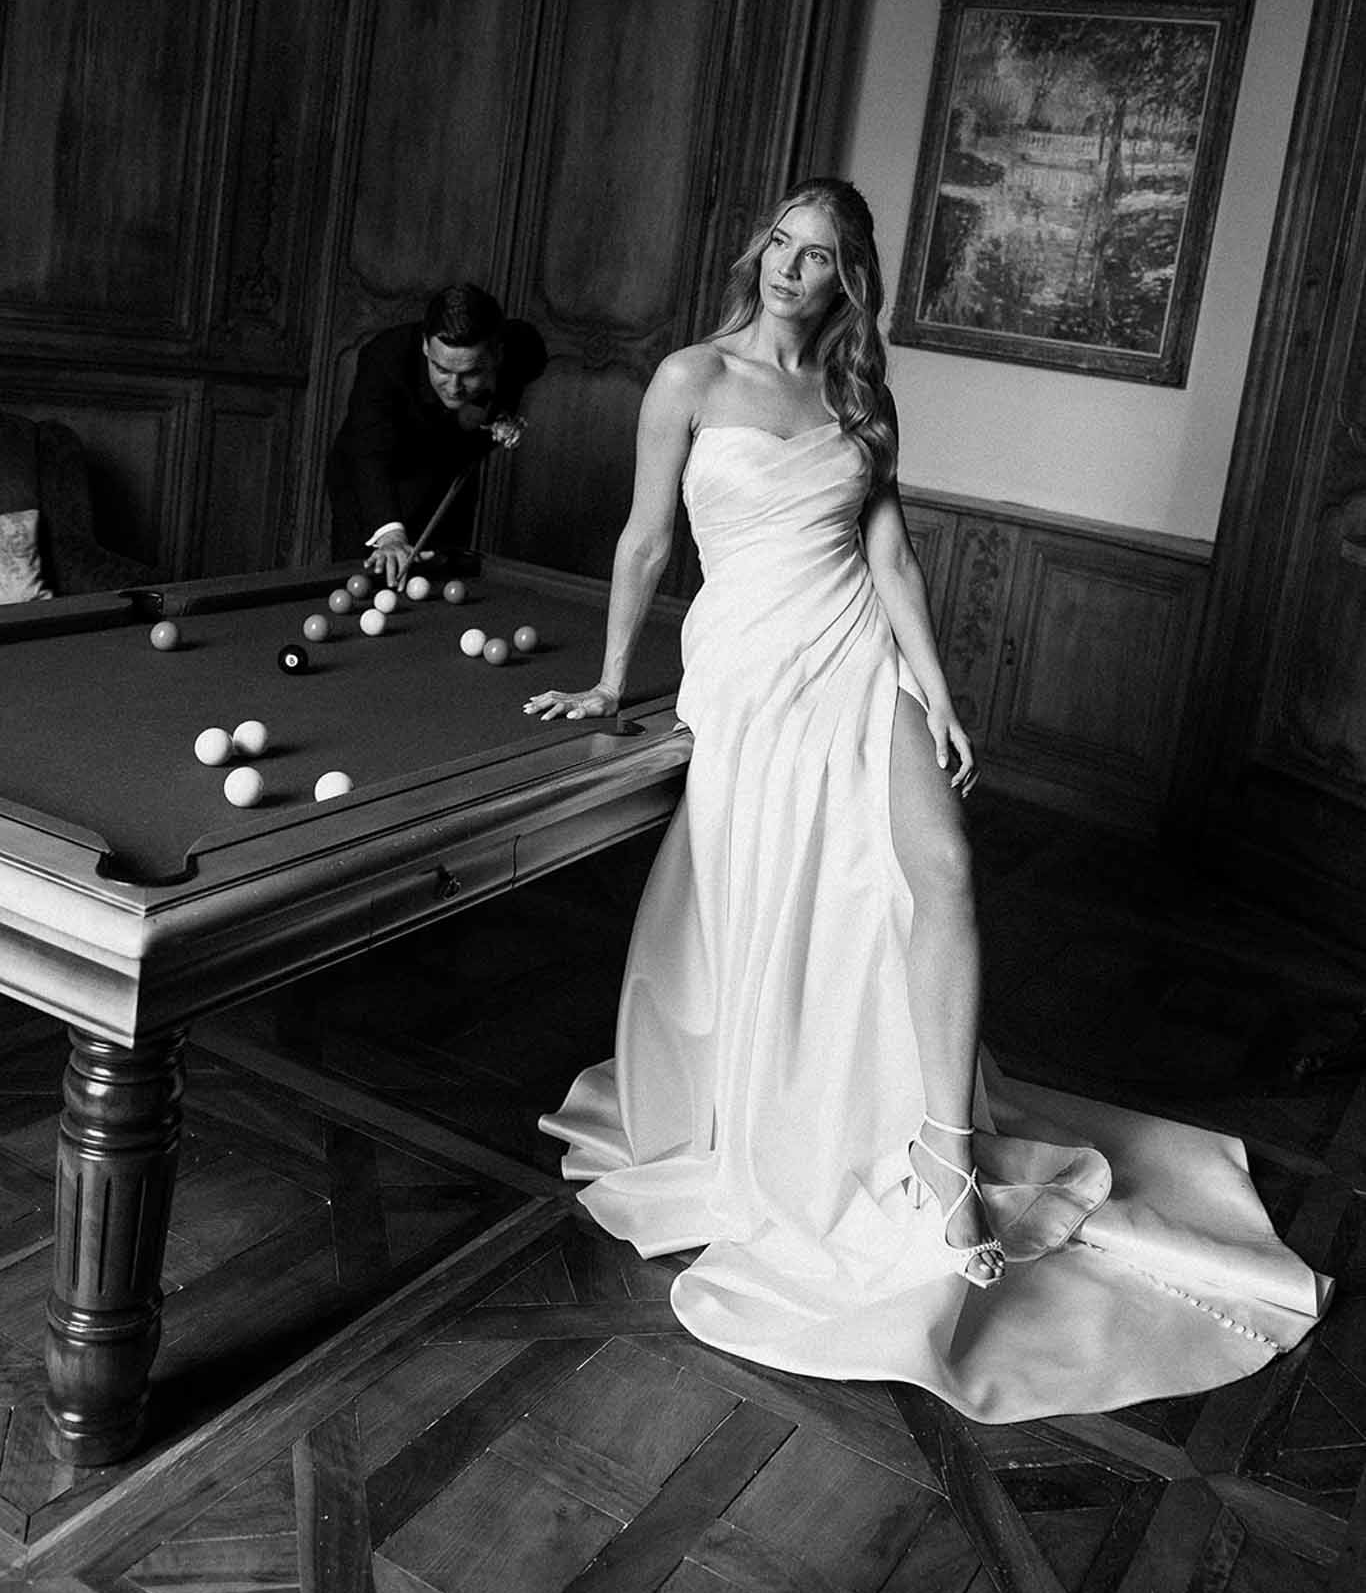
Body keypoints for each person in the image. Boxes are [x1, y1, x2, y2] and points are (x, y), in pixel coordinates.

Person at [528, 176, 1330, 1422]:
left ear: (852, 275)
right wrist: (608, 681)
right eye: (783, 246)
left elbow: (889, 552)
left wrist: (941, 692)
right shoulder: (689, 377)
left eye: (824, 253)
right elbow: (645, 542)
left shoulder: (860, 392)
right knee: (798, 896)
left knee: (942, 870)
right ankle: (800, 1113)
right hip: (749, 662)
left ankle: (945, 1160)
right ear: (761, 256)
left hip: (860, 646)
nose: (797, 270)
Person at [326, 283, 547, 587]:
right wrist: (390, 534)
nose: (454, 387)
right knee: (374, 575)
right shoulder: (383, 360)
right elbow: (369, 455)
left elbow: (530, 359)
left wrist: (496, 410)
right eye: (441, 369)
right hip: (376, 482)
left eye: (470, 373)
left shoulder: (521, 346)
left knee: (442, 573)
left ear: (497, 354)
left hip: (449, 471)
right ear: (426, 347)